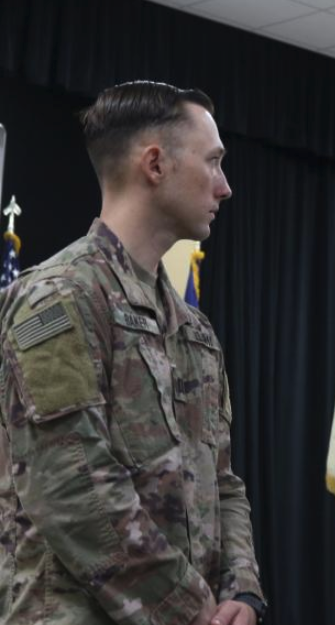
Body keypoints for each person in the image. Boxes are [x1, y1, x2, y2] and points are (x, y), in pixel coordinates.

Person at [0, 82, 266, 624]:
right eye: (213, 162)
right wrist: (192, 610)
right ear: (154, 164)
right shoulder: (59, 298)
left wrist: (242, 592)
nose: (225, 187)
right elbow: (72, 489)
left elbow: (223, 481)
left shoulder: (193, 328)